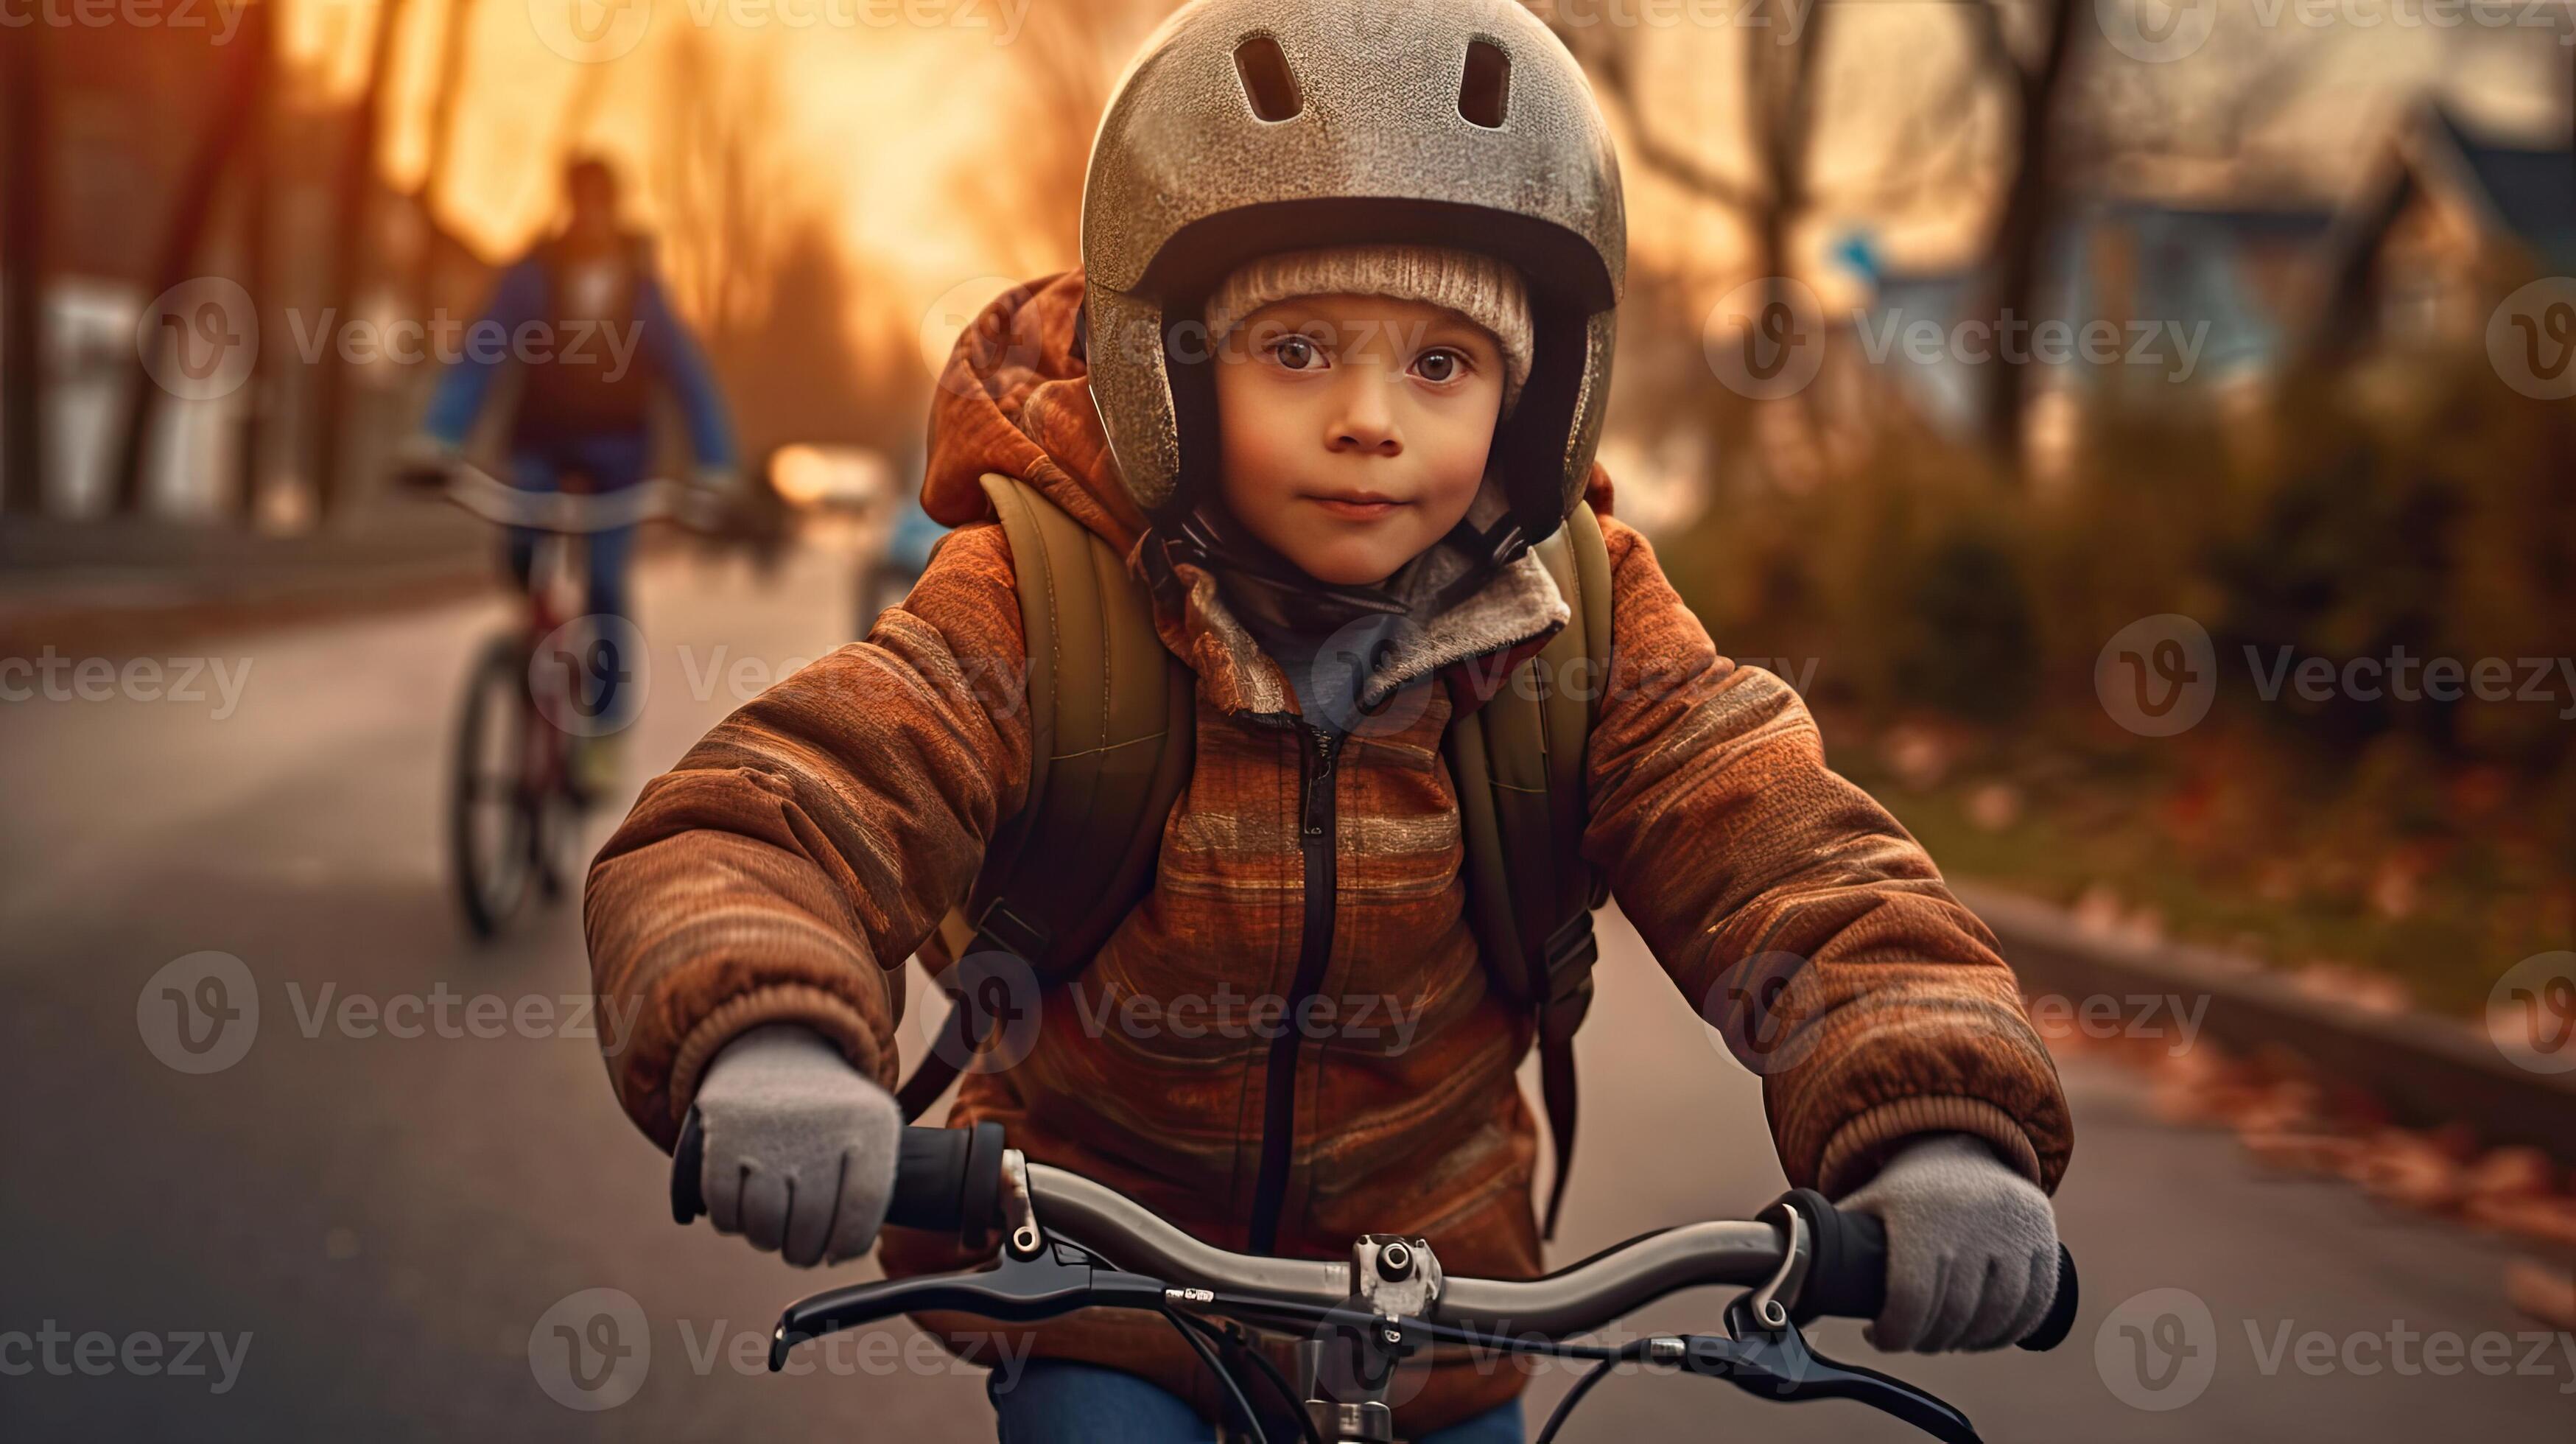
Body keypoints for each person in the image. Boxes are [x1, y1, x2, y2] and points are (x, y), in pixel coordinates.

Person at [581, 4, 2071, 1440]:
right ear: (1170, 366)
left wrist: (1925, 1109)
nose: (1370, 416)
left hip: (1441, 1312)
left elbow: (1783, 851)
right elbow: (790, 799)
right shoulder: (1046, 598)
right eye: (1295, 349)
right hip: (1105, 1280)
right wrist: (771, 1032)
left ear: (1535, 393)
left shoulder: (1582, 622)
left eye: (1440, 361)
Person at [416, 155, 738, 796]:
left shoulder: (643, 290)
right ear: (568, 203)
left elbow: (689, 381)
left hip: (619, 458)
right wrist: (439, 438)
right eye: (579, 200)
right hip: (540, 445)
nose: (589, 214)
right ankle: (531, 653)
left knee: (606, 587)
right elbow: (482, 353)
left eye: (600, 201)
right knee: (519, 545)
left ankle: (602, 734)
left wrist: (715, 467)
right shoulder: (531, 279)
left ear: (614, 207)